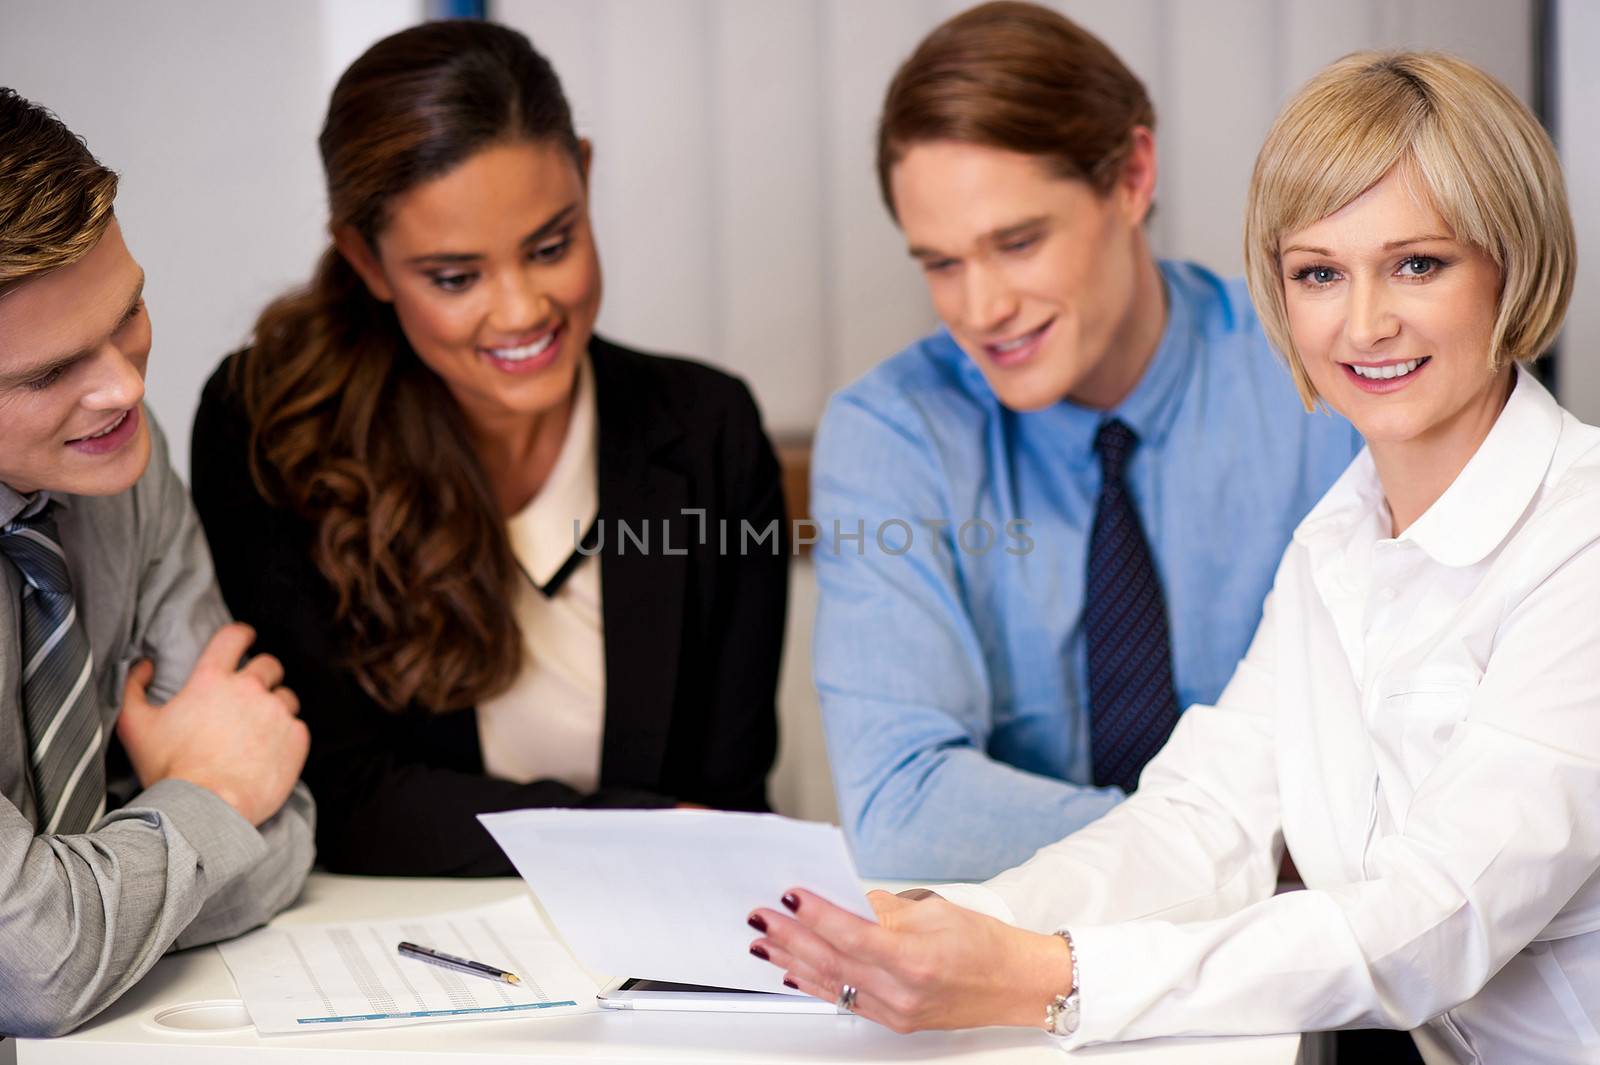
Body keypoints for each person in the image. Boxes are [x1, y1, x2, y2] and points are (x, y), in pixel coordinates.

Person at [751, 49, 1599, 1063]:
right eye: (1318, 274)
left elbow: (1433, 919)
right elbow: (1202, 820)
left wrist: (1048, 973)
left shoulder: (1581, 540)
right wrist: (960, 925)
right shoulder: (1338, 535)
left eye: (1417, 264)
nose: (1364, 322)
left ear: (1513, 261)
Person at [190, 20, 787, 878]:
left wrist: (647, 838)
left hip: (649, 945)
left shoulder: (708, 429)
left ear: (584, 173)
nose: (520, 312)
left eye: (551, 247)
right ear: (365, 258)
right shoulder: (271, 424)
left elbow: (725, 800)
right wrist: (626, 832)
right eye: (456, 278)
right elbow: (338, 794)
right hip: (392, 943)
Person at [811, 0, 1362, 879]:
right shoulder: (896, 433)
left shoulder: (1320, 378)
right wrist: (1234, 847)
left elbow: (1402, 764)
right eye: (942, 264)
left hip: (1297, 974)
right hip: (1018, 979)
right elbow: (903, 810)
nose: (981, 309)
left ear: (1133, 175)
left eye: (1018, 242)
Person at [0, 89, 314, 1037]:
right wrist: (209, 792)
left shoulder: (120, 459)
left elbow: (288, 820)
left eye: (129, 309)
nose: (127, 386)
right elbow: (39, 973)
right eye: (49, 372)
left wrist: (93, 892)